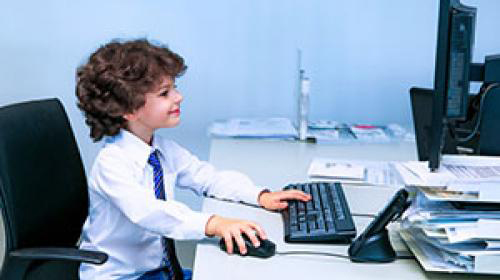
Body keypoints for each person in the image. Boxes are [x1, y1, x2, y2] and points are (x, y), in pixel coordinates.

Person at [75, 39, 311, 280]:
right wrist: (214, 224)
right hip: (121, 277)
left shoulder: (161, 149)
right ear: (128, 109)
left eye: (174, 88)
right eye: (165, 93)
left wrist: (260, 196)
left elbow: (208, 178)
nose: (179, 97)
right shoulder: (112, 164)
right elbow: (149, 212)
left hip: (158, 272)